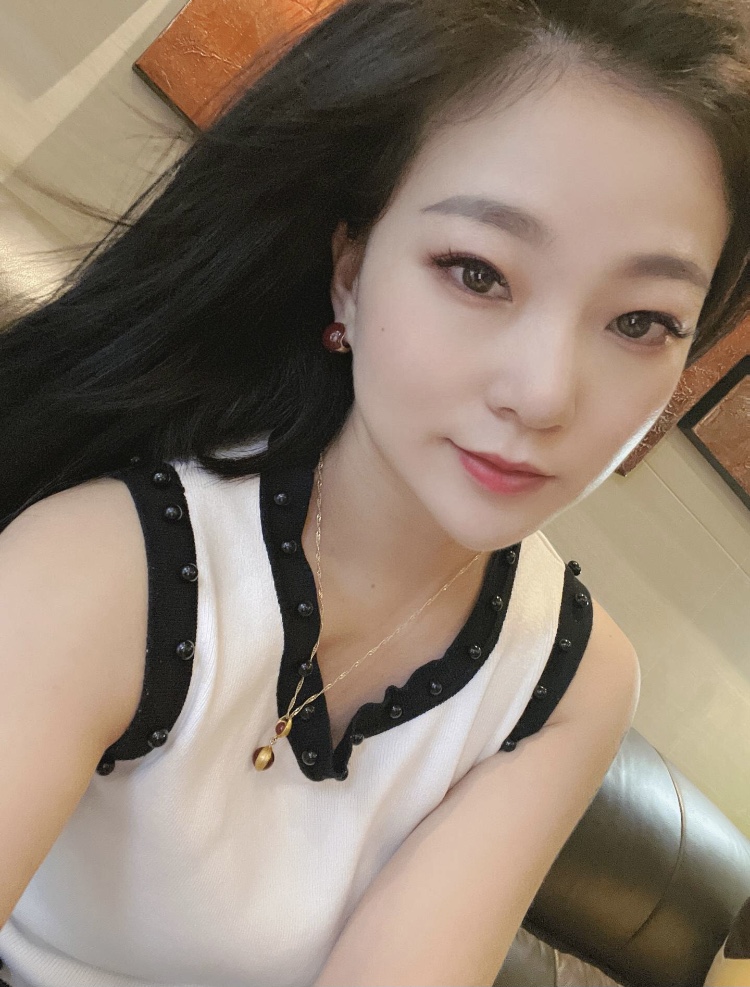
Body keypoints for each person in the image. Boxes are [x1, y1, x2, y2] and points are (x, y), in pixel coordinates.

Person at [0, 0, 748, 984]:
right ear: (350, 273)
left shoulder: (572, 678)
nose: (544, 393)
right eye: (477, 272)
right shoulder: (107, 567)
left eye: (643, 322)